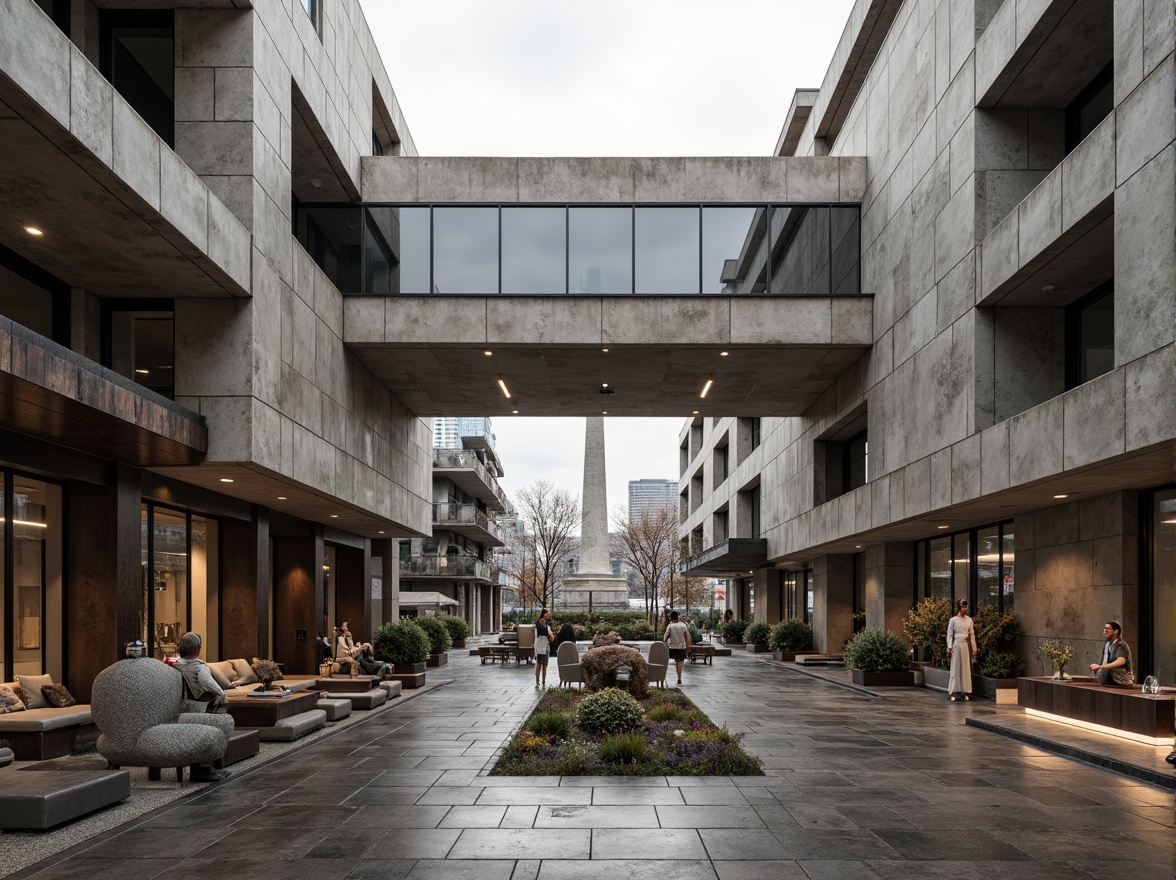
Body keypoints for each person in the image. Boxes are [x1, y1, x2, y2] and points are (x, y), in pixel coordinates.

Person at [172, 631, 230, 782]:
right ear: (197, 649)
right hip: (200, 708)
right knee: (223, 712)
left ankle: (208, 768)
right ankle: (206, 768)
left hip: (182, 708)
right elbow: (207, 683)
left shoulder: (175, 666)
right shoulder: (199, 668)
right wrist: (221, 694)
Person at [945, 599, 977, 701]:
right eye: (963, 606)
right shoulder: (953, 620)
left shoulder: (969, 620)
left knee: (965, 667)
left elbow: (972, 635)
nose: (965, 609)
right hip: (956, 644)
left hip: (965, 644)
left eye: (966, 606)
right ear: (959, 608)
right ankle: (953, 690)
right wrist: (949, 646)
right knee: (955, 667)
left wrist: (974, 648)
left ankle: (965, 690)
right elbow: (949, 634)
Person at [1090, 621, 1134, 686]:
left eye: (1108, 629)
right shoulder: (1107, 645)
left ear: (1116, 631)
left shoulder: (1121, 645)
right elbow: (1104, 662)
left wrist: (1100, 666)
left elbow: (1121, 661)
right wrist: (1097, 668)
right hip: (1108, 681)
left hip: (1122, 682)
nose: (1105, 631)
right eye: (1104, 629)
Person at [663, 610, 692, 685]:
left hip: (673, 646)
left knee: (676, 662)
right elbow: (687, 636)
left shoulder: (670, 626)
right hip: (682, 647)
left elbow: (666, 635)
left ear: (671, 618)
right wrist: (688, 646)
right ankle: (679, 677)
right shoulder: (683, 625)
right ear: (677, 617)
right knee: (680, 661)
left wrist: (664, 641)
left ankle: (666, 677)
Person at [534, 608, 554, 688]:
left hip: (545, 644)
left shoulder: (546, 624)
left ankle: (543, 681)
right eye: (547, 614)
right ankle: (537, 680)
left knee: (545, 665)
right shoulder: (539, 623)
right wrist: (548, 632)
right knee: (539, 664)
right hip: (540, 645)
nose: (548, 616)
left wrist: (550, 636)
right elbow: (542, 631)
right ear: (544, 613)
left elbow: (548, 633)